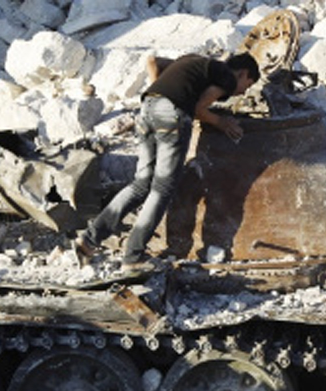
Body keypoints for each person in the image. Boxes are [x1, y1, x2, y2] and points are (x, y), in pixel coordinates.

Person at [76, 51, 260, 269]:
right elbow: (199, 108)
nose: (242, 92)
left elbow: (153, 61)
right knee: (162, 188)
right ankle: (133, 257)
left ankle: (89, 240)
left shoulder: (194, 61)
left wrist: (161, 96)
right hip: (171, 117)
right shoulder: (227, 77)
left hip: (147, 109)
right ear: (243, 73)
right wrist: (222, 122)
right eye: (247, 86)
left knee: (141, 183)